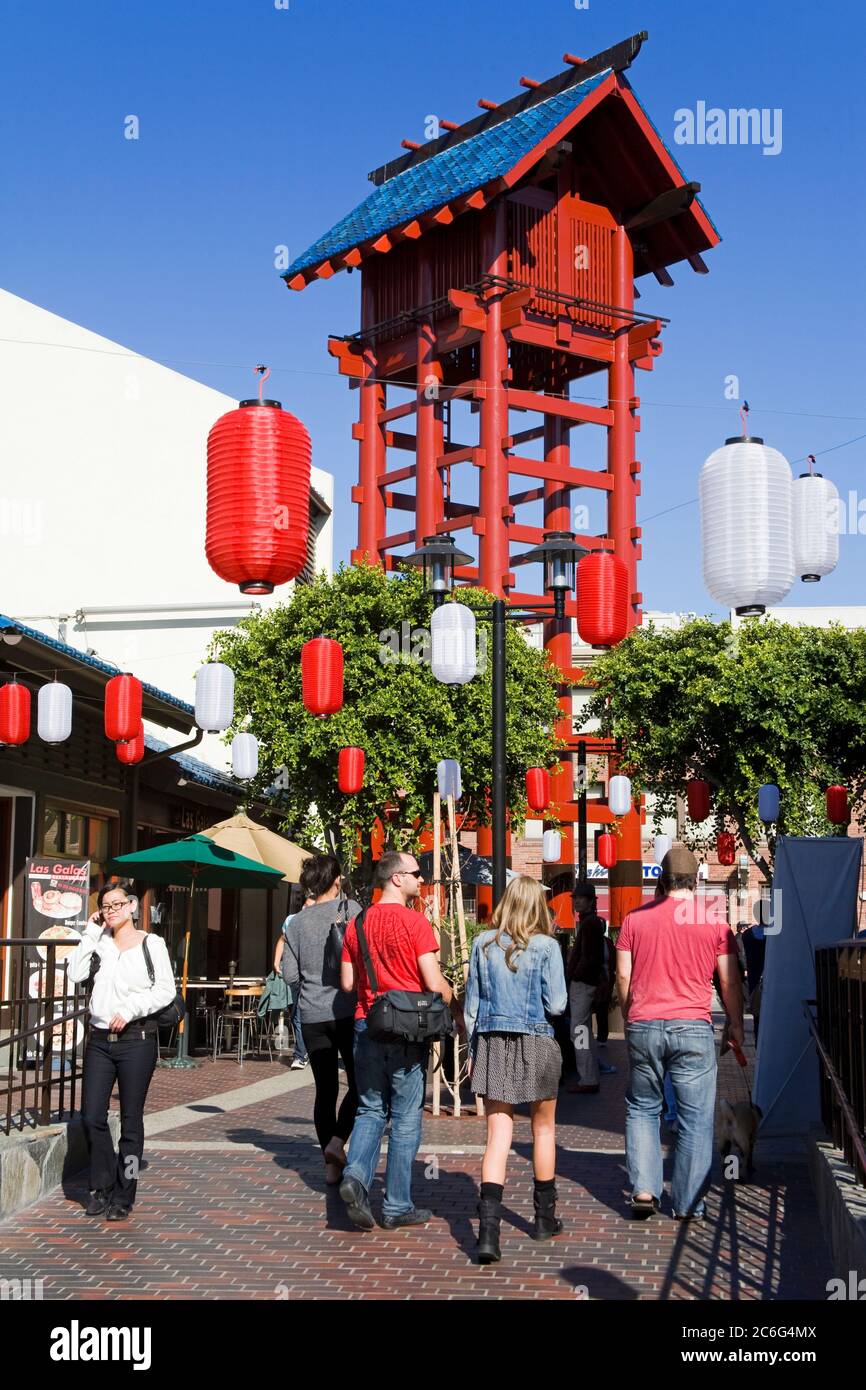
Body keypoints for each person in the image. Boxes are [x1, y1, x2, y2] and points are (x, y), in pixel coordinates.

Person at [616, 845, 743, 1221]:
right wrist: (735, 1025)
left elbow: (623, 976)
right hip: (693, 1026)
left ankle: (643, 1189)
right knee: (696, 1118)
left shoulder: (634, 921)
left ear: (661, 881)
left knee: (642, 1107)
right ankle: (687, 1203)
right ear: (696, 881)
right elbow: (729, 981)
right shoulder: (715, 925)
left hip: (644, 1023)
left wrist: (629, 1012)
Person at [338, 850, 460, 1230]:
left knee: (370, 1109)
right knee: (406, 1116)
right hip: (409, 1029)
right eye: (416, 874)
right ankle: (396, 1206)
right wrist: (456, 1007)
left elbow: (346, 984)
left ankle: (355, 1177)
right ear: (396, 878)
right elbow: (433, 983)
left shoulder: (356, 924)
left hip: (367, 1024)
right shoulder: (417, 924)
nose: (421, 880)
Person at [464, 875, 568, 1264]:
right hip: (538, 1041)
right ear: (538, 907)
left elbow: (472, 1007)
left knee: (498, 1137)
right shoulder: (547, 947)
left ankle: (488, 1234)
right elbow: (556, 1004)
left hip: (493, 1043)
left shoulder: (481, 944)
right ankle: (544, 1220)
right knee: (543, 1130)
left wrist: (473, 1049)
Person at [66, 879, 177, 1221]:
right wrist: (89, 933)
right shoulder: (100, 944)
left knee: (131, 1122)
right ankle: (102, 1185)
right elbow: (74, 972)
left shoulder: (151, 943)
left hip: (136, 1041)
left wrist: (130, 1010)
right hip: (99, 1040)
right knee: (92, 1116)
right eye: (105, 907)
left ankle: (124, 1193)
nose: (111, 911)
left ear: (131, 906)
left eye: (117, 905)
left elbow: (165, 991)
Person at [280, 854, 361, 1184]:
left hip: (312, 1015)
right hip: (347, 1010)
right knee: (360, 1084)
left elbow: (287, 974)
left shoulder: (296, 923)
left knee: (324, 1089)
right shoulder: (352, 911)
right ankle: (338, 1141)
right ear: (337, 880)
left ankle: (330, 1167)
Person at [566, 882, 608, 1094]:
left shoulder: (590, 924)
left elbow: (590, 958)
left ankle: (587, 1078)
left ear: (591, 901)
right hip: (586, 983)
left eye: (581, 898)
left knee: (579, 1031)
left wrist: (574, 975)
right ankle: (589, 1075)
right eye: (575, 898)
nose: (576, 901)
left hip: (583, 985)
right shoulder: (589, 922)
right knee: (584, 1031)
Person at [274, 892, 312, 1070]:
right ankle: (301, 1054)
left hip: (314, 977)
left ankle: (306, 1052)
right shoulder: (292, 920)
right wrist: (276, 961)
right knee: (297, 1014)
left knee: (306, 1015)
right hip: (297, 976)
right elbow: (282, 940)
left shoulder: (320, 922)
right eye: (306, 906)